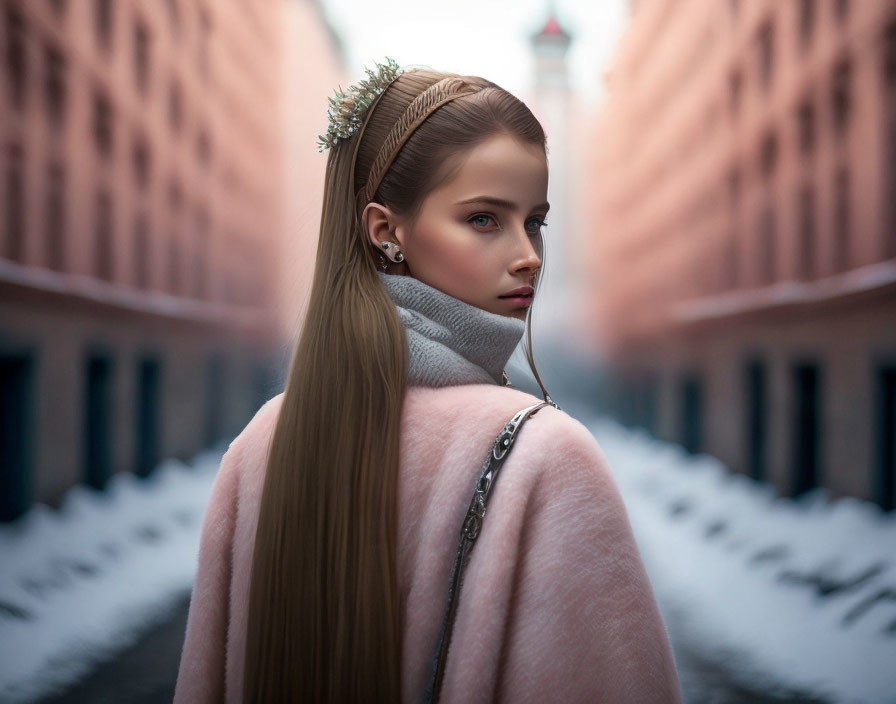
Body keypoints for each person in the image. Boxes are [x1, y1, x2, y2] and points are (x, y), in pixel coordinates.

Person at [173, 58, 682, 703]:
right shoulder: (547, 459)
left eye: (537, 221)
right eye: (484, 219)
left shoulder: (262, 445)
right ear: (388, 232)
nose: (529, 255)